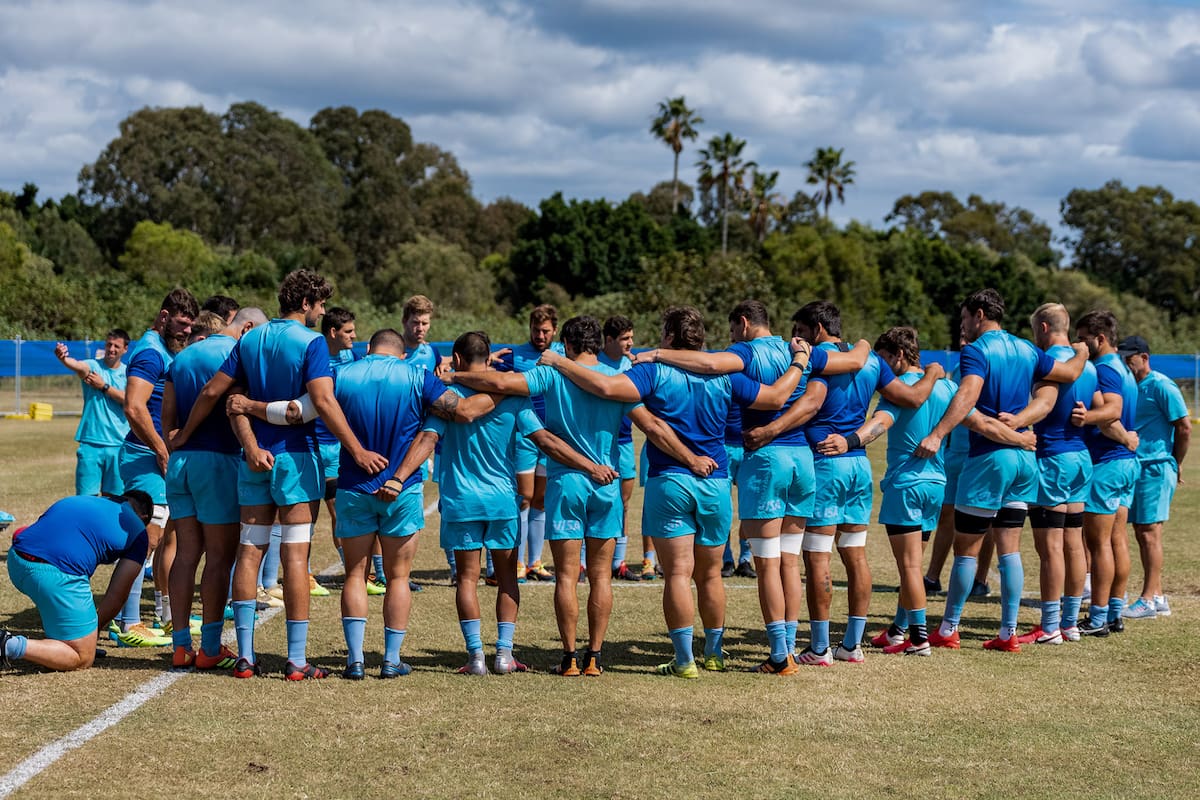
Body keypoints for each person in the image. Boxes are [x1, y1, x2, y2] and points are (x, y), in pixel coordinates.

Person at [541, 306, 810, 678]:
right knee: (711, 576)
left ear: (668, 337)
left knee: (679, 575)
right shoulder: (726, 373)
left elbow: (604, 387)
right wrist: (798, 360)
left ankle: (685, 661)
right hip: (714, 482)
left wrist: (559, 362)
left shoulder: (652, 371)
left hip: (671, 480)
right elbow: (777, 398)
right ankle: (714, 654)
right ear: (701, 337)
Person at [455, 315, 711, 676]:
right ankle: (595, 658)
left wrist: (455, 376)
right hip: (606, 483)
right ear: (596, 344)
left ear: (568, 345)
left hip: (567, 483)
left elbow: (498, 382)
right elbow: (653, 426)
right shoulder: (616, 381)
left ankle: (570, 659)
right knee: (601, 577)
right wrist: (691, 458)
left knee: (565, 577)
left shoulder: (553, 373)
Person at [635, 300, 870, 674]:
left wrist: (656, 354)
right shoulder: (799, 348)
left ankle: (780, 655)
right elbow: (854, 362)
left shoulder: (742, 352)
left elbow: (711, 365)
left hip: (767, 461)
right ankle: (790, 647)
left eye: (731, 330)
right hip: (804, 462)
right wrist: (864, 345)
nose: (729, 338)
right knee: (791, 562)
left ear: (743, 324)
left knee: (767, 563)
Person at [173, 269, 387, 680]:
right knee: (294, 556)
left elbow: (215, 393)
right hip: (296, 460)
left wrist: (185, 433)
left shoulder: (250, 339)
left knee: (249, 553)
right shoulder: (311, 342)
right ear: (306, 304)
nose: (321, 312)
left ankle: (246, 657)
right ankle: (295, 660)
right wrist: (356, 449)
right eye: (320, 305)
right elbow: (321, 401)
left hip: (254, 458)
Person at [422, 331, 609, 675]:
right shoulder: (512, 398)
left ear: (459, 361)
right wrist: (589, 466)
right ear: (489, 357)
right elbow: (546, 442)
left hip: (460, 500)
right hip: (503, 501)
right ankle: (504, 655)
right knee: (508, 578)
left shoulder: (448, 398)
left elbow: (427, 438)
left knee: (466, 578)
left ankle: (475, 656)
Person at [844, 327, 1032, 656]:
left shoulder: (899, 392)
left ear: (898, 356)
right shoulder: (947, 388)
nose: (883, 368)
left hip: (906, 486)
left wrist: (849, 442)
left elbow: (880, 425)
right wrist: (1021, 439)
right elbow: (985, 425)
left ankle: (917, 640)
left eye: (886, 359)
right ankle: (898, 631)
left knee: (910, 568)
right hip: (935, 486)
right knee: (914, 564)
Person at [919, 289, 1087, 652]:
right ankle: (1008, 633)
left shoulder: (976, 351)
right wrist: (1083, 350)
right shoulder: (1029, 349)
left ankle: (948, 629)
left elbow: (967, 395)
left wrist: (938, 433)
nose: (962, 325)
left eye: (964, 318)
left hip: (988, 459)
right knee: (1009, 549)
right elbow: (1064, 377)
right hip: (1024, 460)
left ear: (979, 314)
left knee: (966, 549)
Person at [782, 301, 943, 666]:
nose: (798, 340)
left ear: (818, 330)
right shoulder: (871, 361)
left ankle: (820, 647)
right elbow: (914, 397)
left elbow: (809, 404)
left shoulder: (817, 360)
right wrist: (933, 372)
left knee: (817, 557)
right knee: (855, 555)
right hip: (858, 466)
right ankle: (851, 646)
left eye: (802, 332)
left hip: (826, 462)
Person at [329, 328, 496, 679]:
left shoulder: (341, 373)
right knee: (398, 577)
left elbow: (309, 408)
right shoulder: (417, 376)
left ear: (369, 350)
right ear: (402, 354)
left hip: (353, 485)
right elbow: (463, 411)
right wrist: (504, 389)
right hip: (401, 490)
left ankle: (354, 661)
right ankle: (391, 660)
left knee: (355, 576)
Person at [162, 307, 268, 670]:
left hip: (180, 464)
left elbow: (167, 414)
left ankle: (179, 645)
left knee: (186, 553)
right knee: (220, 557)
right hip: (217, 461)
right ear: (246, 328)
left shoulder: (183, 356)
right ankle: (209, 647)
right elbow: (215, 397)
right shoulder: (236, 354)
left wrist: (175, 440)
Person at [1000, 304, 1098, 645]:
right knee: (1073, 543)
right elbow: (1095, 406)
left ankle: (1050, 625)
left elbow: (1043, 404)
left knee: (1050, 547)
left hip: (1053, 458)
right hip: (1080, 458)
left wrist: (1016, 421)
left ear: (1043, 327)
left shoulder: (1051, 364)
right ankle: (1069, 623)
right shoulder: (1085, 364)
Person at [116, 288, 198, 647]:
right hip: (145, 457)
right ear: (164, 317)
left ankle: (165, 617)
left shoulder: (164, 349)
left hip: (156, 456)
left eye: (190, 326)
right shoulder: (150, 352)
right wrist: (163, 451)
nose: (185, 331)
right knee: (145, 538)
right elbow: (134, 408)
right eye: (181, 324)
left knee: (167, 537)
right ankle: (127, 623)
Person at [2, 492, 153, 671]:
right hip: (54, 575)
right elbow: (117, 596)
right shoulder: (139, 533)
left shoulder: (78, 499)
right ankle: (7, 644)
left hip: (16, 560)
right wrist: (91, 634)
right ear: (144, 517)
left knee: (62, 620)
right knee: (82, 656)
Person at [1072, 311, 1139, 637]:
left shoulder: (1105, 369)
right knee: (1117, 541)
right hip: (1124, 464)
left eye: (1083, 337)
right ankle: (1114, 612)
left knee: (1098, 545)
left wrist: (1084, 418)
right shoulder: (1125, 370)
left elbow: (1112, 411)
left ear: (1099, 339)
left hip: (1108, 464)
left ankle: (1097, 619)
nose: (1078, 344)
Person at [1120, 335, 1190, 619]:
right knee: (1140, 531)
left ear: (1144, 358)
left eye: (1130, 358)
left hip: (1156, 467)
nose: (1126, 363)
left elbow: (1184, 427)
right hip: (1136, 467)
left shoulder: (1161, 385)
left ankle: (1148, 599)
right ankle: (1158, 597)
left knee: (1149, 533)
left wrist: (1175, 461)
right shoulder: (1129, 386)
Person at [495, 304, 565, 582]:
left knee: (542, 499)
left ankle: (536, 562)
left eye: (545, 331)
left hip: (554, 435)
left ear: (555, 331)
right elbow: (495, 380)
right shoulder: (514, 355)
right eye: (536, 330)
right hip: (524, 436)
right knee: (523, 497)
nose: (540, 335)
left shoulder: (562, 354)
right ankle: (518, 562)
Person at [597, 315, 645, 582]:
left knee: (623, 503)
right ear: (609, 340)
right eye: (625, 338)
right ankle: (583, 562)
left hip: (625, 442)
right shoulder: (594, 363)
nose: (631, 343)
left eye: (631, 337)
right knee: (595, 502)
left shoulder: (633, 363)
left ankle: (620, 562)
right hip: (599, 442)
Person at [55, 329, 131, 496]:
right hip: (91, 443)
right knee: (86, 499)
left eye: (116, 346)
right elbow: (78, 366)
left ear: (125, 349)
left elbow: (130, 400)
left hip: (119, 444)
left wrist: (104, 386)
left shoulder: (128, 374)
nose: (111, 349)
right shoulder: (94, 366)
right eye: (109, 344)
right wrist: (63, 358)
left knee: (115, 500)